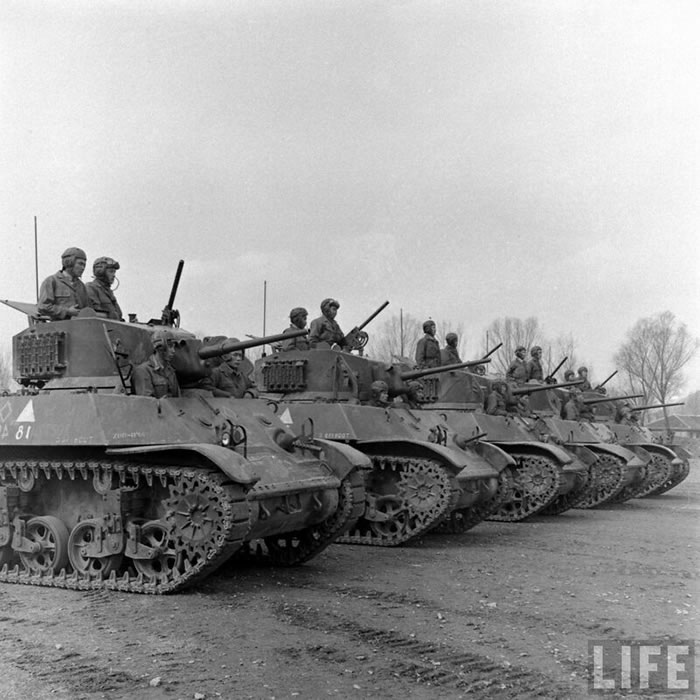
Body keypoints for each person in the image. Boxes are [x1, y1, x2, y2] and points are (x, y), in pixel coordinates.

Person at [38, 247, 89, 320]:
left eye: (84, 265)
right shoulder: (52, 281)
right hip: (59, 326)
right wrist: (67, 311)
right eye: (80, 264)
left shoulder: (81, 286)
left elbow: (87, 310)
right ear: (69, 263)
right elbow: (43, 307)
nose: (83, 268)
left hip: (79, 325)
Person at [132, 329, 180, 398]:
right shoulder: (143, 371)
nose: (173, 351)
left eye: (174, 346)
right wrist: (162, 402)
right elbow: (146, 402)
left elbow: (177, 398)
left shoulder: (170, 371)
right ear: (160, 348)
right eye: (170, 346)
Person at [86, 256, 123, 320]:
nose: (114, 275)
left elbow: (118, 316)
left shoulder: (109, 292)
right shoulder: (91, 288)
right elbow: (96, 314)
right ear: (101, 272)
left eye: (114, 272)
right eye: (111, 271)